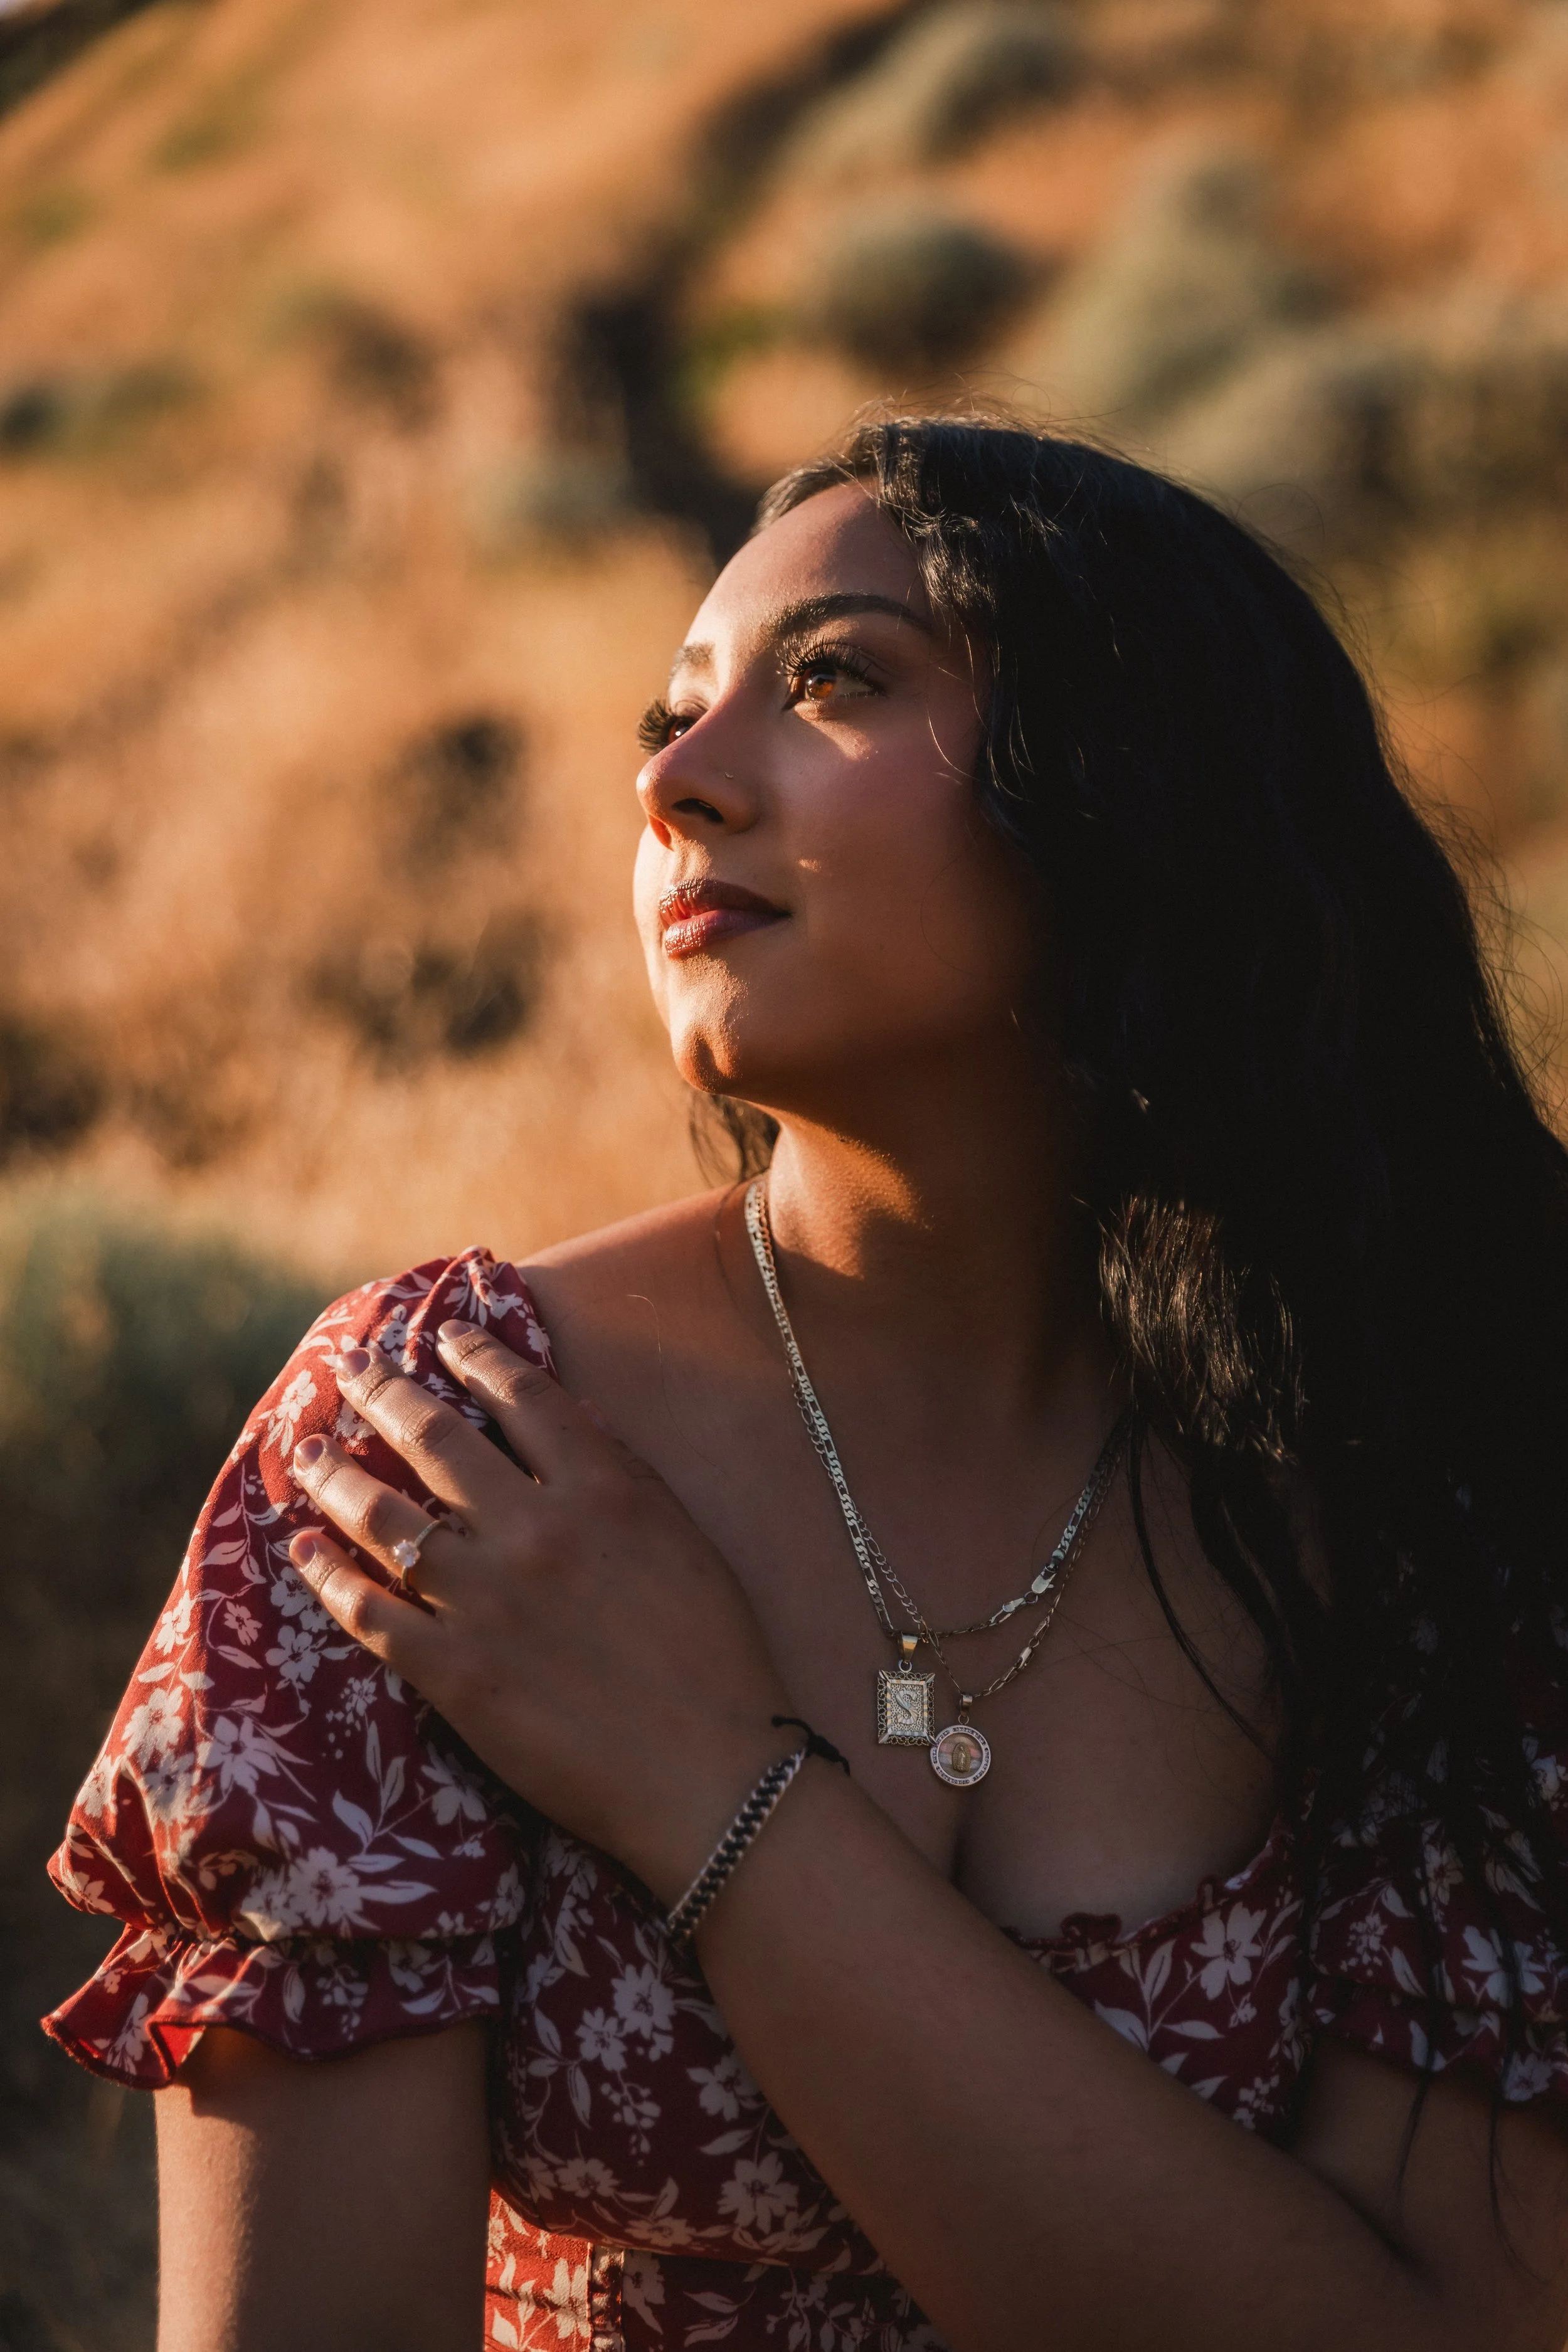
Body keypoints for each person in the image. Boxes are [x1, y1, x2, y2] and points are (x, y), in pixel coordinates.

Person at [44, 417, 1568, 2352]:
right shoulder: (446, 1451)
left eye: (833, 677)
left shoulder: (1426, 1472)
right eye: (666, 723)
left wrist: (709, 1785)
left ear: (1133, 774)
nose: (675, 784)